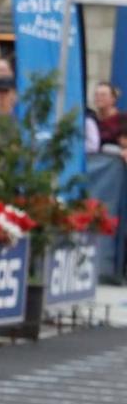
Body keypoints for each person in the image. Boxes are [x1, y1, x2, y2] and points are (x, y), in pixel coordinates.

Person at [87, 81, 125, 282]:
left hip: (113, 180)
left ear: (113, 99)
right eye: (97, 94)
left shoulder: (121, 120)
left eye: (104, 94)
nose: (99, 98)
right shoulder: (89, 119)